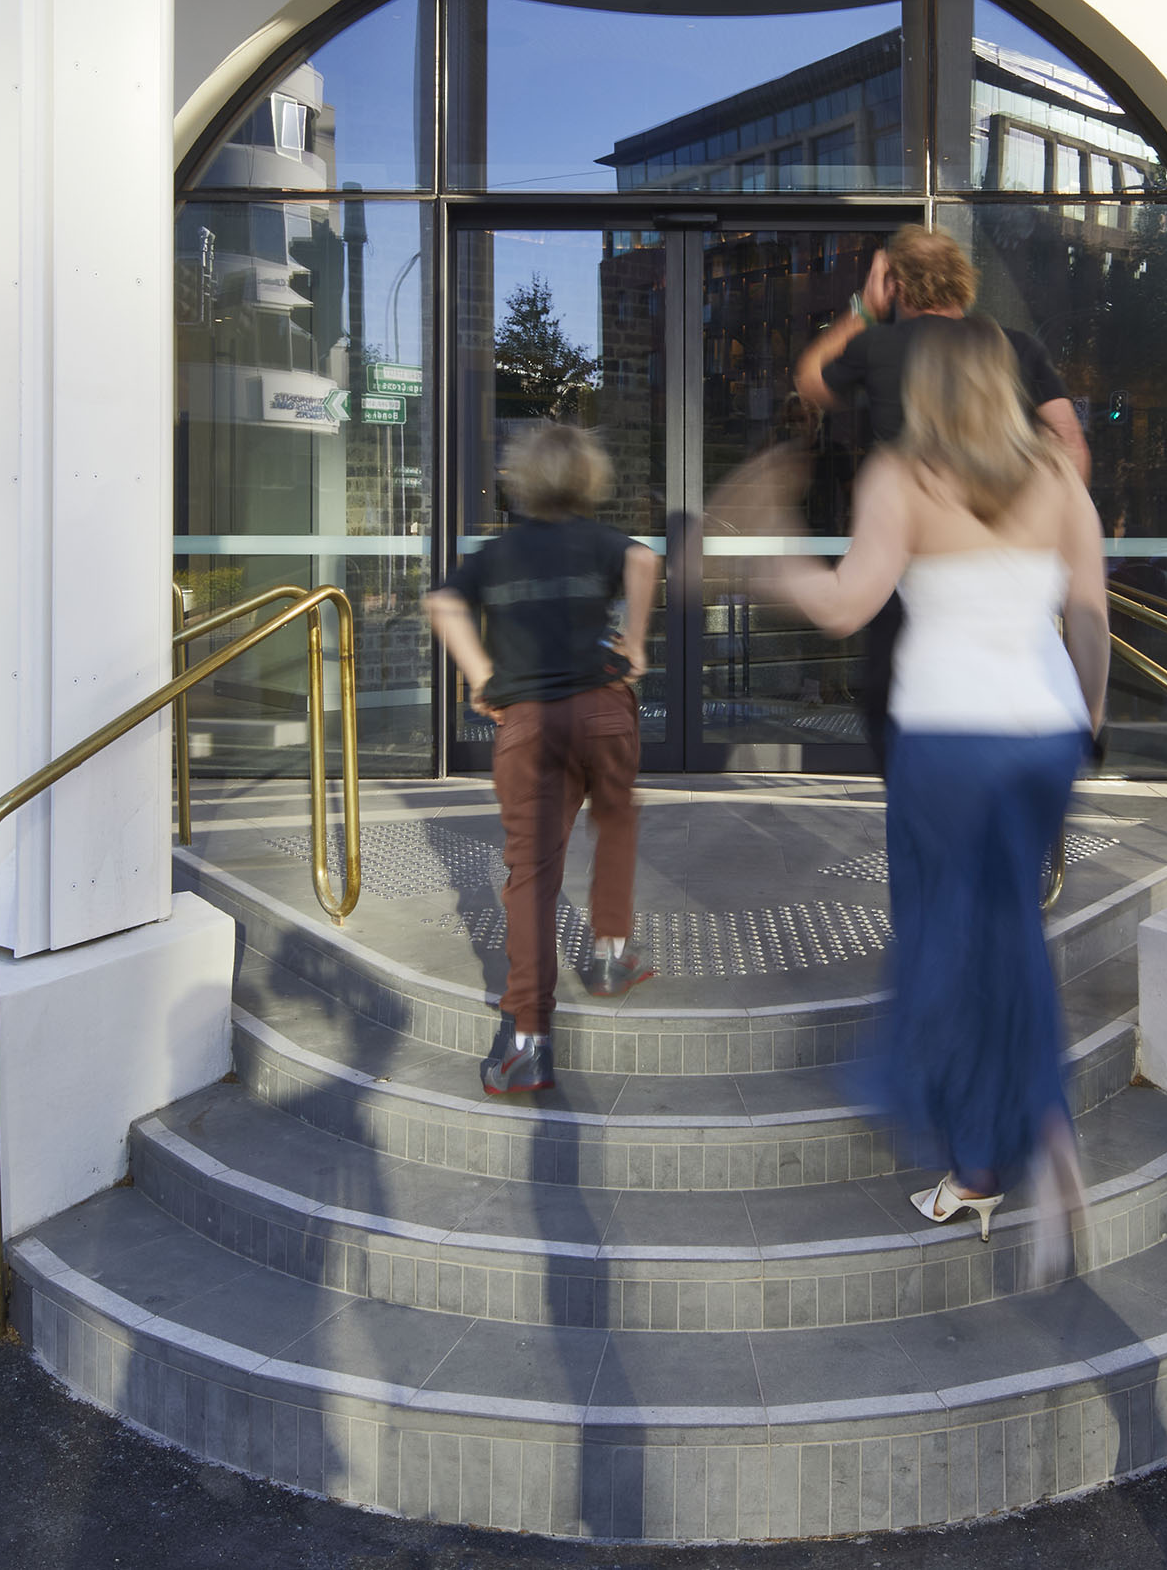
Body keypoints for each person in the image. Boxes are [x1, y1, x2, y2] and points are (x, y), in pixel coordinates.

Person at [732, 315, 1108, 1271]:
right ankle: (1020, 1138)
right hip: (1044, 736)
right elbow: (1090, 617)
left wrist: (773, 559)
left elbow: (845, 604)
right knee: (1008, 927)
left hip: (949, 739)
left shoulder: (903, 474)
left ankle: (1005, 1142)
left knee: (950, 945)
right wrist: (1088, 724)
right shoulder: (1058, 476)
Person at [795, 225, 1088, 775]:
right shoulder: (1014, 346)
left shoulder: (877, 345)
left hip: (907, 566)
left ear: (897, 284)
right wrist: (1036, 522)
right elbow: (1070, 444)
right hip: (1012, 591)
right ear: (962, 280)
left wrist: (863, 307)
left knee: (902, 718)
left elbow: (810, 381)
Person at [424, 422, 661, 1098]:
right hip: (604, 709)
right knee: (615, 819)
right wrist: (634, 642)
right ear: (588, 477)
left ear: (522, 480)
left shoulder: (496, 553)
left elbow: (443, 603)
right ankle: (611, 956)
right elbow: (644, 561)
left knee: (531, 873)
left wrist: (481, 676)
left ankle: (529, 1040)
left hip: (529, 722)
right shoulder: (600, 540)